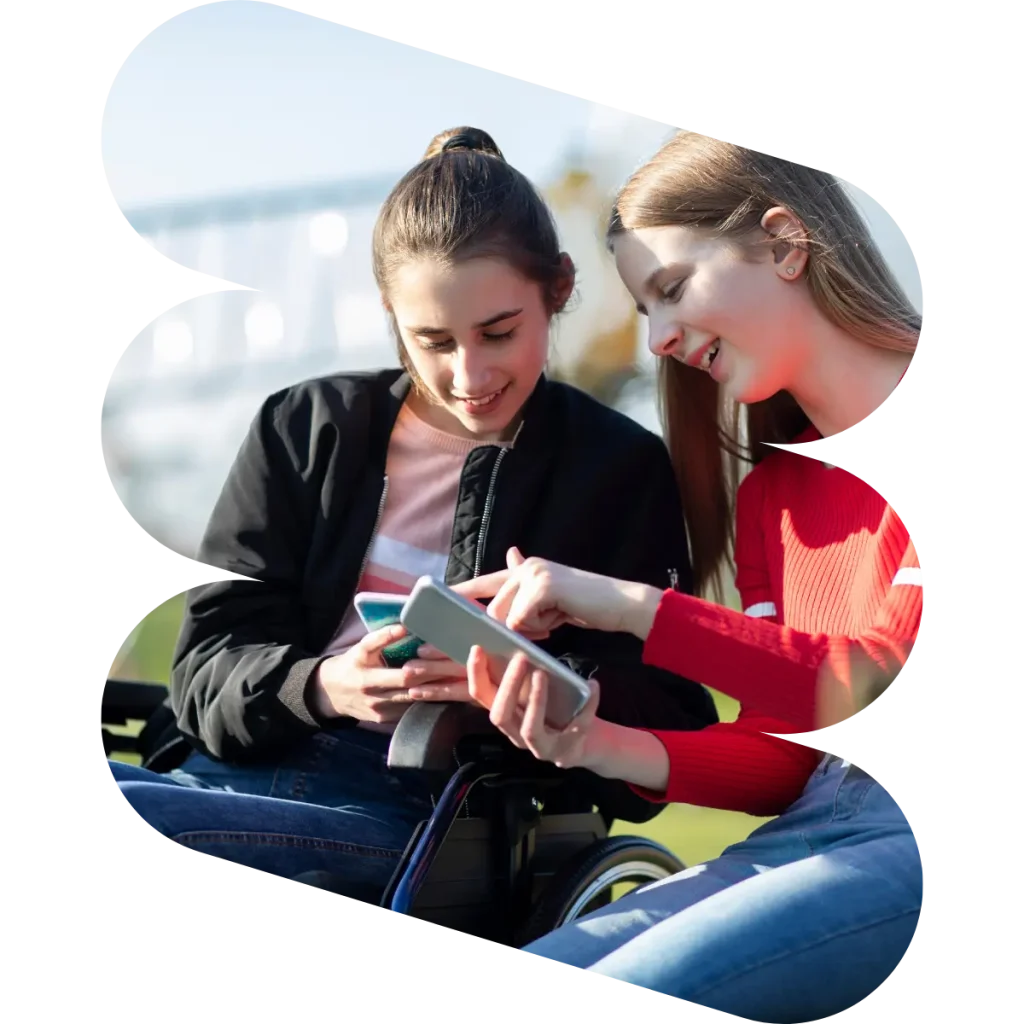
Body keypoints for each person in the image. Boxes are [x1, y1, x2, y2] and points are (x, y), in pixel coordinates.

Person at [106, 127, 725, 906]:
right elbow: (204, 671)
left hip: (424, 818)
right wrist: (324, 684)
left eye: (499, 333)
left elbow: (672, 723)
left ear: (559, 288)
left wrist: (515, 691)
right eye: (432, 340)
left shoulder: (616, 468)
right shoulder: (303, 429)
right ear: (390, 314)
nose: (469, 374)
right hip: (216, 777)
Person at [454, 132, 925, 1020]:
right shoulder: (774, 497)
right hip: (819, 828)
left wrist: (635, 607)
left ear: (785, 244)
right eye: (645, 308)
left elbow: (872, 680)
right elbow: (785, 760)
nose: (659, 338)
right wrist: (590, 741)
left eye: (671, 289)